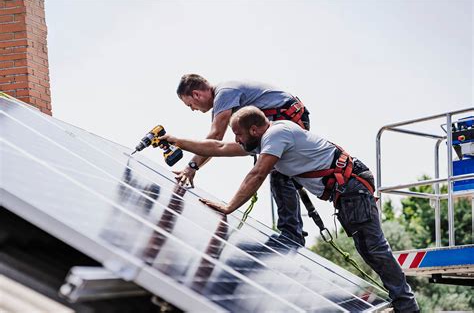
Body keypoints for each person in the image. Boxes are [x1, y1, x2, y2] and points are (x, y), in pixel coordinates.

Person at [161, 106, 420, 312]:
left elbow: (258, 173)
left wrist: (229, 207)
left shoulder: (277, 135)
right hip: (347, 192)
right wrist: (175, 140)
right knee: (369, 249)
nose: (237, 140)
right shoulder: (267, 139)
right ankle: (403, 302)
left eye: (239, 135)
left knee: (373, 248)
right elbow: (217, 148)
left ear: (254, 129)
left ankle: (407, 307)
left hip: (352, 187)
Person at [174, 74, 310, 245]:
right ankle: (292, 230)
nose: (193, 109)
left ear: (196, 94)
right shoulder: (224, 96)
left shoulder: (225, 93)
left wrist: (191, 167)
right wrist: (194, 167)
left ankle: (292, 234)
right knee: (278, 171)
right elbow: (216, 147)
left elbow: (215, 138)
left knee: (277, 171)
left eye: (190, 105)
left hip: (287, 119)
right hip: (286, 119)